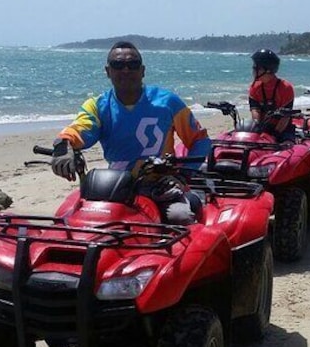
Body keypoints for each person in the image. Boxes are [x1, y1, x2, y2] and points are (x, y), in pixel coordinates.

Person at [50, 41, 211, 223]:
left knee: (179, 217)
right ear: (108, 71)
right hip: (115, 184)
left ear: (142, 70)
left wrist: (184, 175)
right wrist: (63, 147)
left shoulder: (168, 102)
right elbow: (79, 130)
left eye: (132, 65)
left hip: (160, 184)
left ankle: (194, 211)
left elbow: (200, 140)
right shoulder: (97, 106)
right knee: (73, 219)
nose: (125, 70)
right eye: (118, 65)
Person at [248, 48, 297, 143]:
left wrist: (274, 136)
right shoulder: (254, 87)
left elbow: (285, 118)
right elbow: (255, 111)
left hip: (283, 129)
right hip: (263, 128)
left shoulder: (286, 87)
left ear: (267, 70)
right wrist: (257, 129)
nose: (253, 69)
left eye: (256, 67)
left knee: (287, 145)